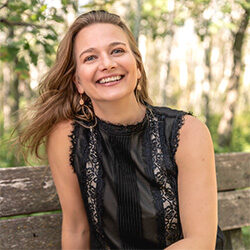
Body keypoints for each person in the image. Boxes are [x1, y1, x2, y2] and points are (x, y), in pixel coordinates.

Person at [19, 10, 223, 249]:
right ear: (78, 82)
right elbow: (77, 228)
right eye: (90, 58)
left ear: (137, 68)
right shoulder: (67, 137)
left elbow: (200, 242)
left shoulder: (186, 132)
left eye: (117, 51)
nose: (107, 64)